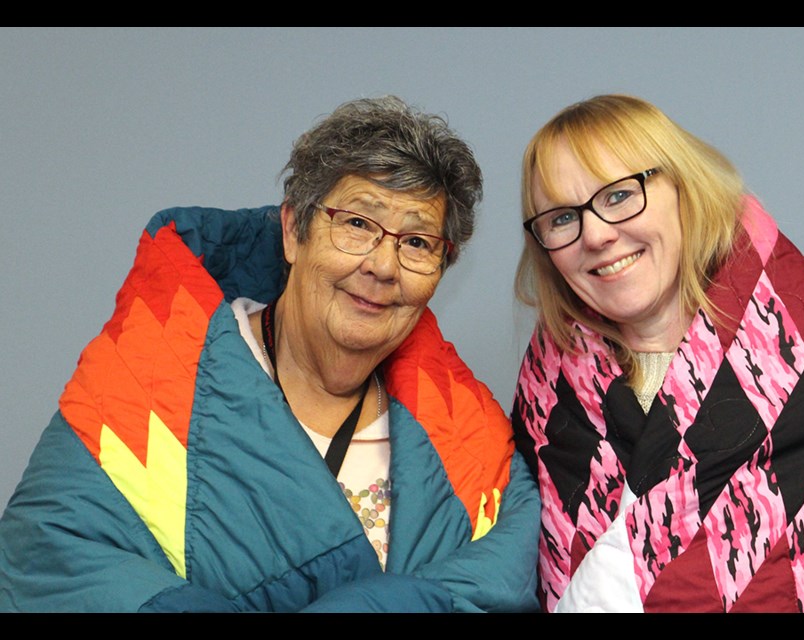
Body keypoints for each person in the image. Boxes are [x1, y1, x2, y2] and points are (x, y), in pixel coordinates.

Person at [0, 96, 539, 613]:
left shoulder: (472, 443)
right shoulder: (148, 381)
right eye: (357, 224)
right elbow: (48, 559)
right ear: (292, 232)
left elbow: (499, 586)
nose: (383, 265)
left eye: (417, 242)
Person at [511, 94, 804, 613]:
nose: (595, 234)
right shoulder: (550, 401)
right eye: (562, 218)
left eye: (617, 196)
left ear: (681, 188)